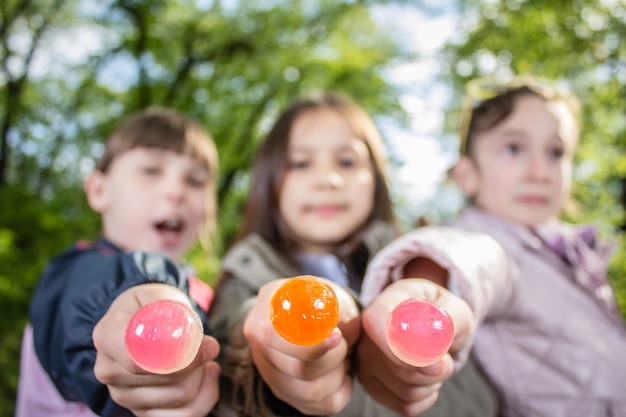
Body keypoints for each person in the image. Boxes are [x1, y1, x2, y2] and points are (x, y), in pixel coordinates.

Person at [208, 91, 499, 417]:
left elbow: (480, 400)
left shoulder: (415, 267)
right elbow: (230, 336)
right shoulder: (242, 276)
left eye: (347, 162)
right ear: (270, 182)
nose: (328, 180)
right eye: (300, 163)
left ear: (375, 179)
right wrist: (267, 340)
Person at [361, 75, 626, 416]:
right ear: (468, 174)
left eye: (556, 152)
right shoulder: (492, 245)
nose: (539, 171)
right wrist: (424, 289)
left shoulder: (570, 255)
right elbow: (469, 257)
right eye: (513, 148)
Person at [16, 107, 221, 417]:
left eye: (194, 181)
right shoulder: (73, 273)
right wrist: (133, 307)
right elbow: (91, 304)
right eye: (151, 171)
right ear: (99, 190)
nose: (176, 191)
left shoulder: (208, 293)